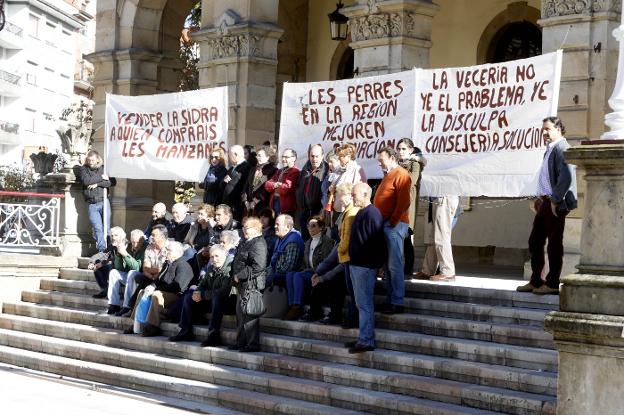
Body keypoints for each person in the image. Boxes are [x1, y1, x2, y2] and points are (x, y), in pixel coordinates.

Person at [517, 116, 577, 295]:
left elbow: (566, 177)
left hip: (555, 203)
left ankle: (551, 283)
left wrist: (554, 201)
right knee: (535, 241)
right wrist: (540, 198)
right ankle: (536, 280)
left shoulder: (562, 148)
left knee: (554, 244)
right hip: (546, 202)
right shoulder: (550, 149)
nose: (544, 132)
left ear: (558, 129)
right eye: (543, 129)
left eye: (548, 129)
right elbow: (547, 176)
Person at [345, 182, 386, 353]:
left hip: (365, 266)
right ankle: (362, 338)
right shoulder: (362, 212)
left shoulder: (372, 213)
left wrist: (379, 265)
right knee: (360, 303)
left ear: (365, 195)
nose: (352, 197)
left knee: (364, 304)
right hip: (356, 264)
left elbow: (378, 241)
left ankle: (366, 340)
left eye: (355, 195)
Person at [372, 146, 411, 315]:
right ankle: (390, 300)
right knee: (388, 267)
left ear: (392, 158)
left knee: (395, 265)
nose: (379, 162)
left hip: (394, 225)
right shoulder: (388, 175)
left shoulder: (401, 174)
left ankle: (397, 301)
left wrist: (392, 221)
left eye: (382, 159)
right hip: (386, 225)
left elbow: (404, 202)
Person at [169, 244, 233, 346]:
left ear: (224, 256)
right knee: (189, 295)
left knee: (217, 298)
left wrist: (202, 295)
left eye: (217, 256)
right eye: (211, 257)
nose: (214, 259)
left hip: (227, 302)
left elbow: (223, 292)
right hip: (210, 298)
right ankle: (185, 330)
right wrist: (198, 293)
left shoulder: (229, 269)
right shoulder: (212, 268)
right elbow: (203, 284)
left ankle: (213, 335)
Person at [126, 241, 193, 337]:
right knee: (142, 291)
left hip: (176, 296)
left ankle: (153, 325)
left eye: (168, 250)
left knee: (156, 294)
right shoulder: (167, 264)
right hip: (164, 291)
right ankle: (136, 324)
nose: (166, 252)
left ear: (177, 252)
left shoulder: (184, 265)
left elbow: (176, 287)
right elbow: (158, 280)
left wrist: (156, 289)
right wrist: (152, 286)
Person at [282, 216, 335, 320]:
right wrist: (302, 270)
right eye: (308, 226)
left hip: (318, 273)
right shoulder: (308, 242)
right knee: (290, 274)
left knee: (298, 275)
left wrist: (305, 271)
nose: (310, 228)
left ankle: (297, 306)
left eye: (314, 226)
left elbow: (325, 263)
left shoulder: (327, 242)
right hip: (308, 272)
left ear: (321, 227)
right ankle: (292, 305)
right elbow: (304, 263)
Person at [230, 217, 268, 352]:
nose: (244, 230)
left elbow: (258, 266)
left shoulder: (258, 244)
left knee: (250, 315)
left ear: (255, 229)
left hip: (251, 285)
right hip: (242, 285)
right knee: (240, 314)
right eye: (243, 228)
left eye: (246, 228)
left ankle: (252, 344)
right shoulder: (247, 242)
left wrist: (239, 276)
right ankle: (241, 342)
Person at [119, 224, 169, 317]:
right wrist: (152, 274)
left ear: (162, 237)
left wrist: (155, 272)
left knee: (142, 284)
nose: (151, 237)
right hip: (150, 277)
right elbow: (145, 268)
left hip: (164, 279)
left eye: (154, 235)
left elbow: (164, 269)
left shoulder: (169, 248)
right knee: (140, 279)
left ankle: (131, 308)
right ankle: (133, 310)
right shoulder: (149, 247)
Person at [397, 138, 427, 275]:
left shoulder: (415, 163)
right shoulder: (398, 164)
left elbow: (411, 180)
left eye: (403, 149)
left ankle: (408, 269)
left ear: (410, 150)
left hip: (408, 205)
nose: (400, 151)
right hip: (396, 204)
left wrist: (397, 172)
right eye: (399, 149)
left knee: (406, 237)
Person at [76, 149, 116, 252]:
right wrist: (102, 178)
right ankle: (102, 250)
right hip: (92, 204)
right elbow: (87, 181)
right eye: (89, 160)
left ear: (97, 159)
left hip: (104, 201)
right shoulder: (83, 169)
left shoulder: (104, 168)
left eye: (93, 160)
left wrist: (98, 184)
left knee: (106, 227)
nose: (91, 163)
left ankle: (109, 249)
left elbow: (112, 182)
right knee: (97, 227)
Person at [416, 195, 460, 282]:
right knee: (434, 237)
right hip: (438, 198)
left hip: (444, 197)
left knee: (441, 236)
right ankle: (428, 270)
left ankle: (448, 272)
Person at [299, 246, 346, 325]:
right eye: (339, 232)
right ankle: (314, 312)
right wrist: (317, 273)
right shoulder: (339, 245)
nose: (339, 233)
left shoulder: (350, 243)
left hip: (348, 276)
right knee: (318, 283)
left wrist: (323, 278)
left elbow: (342, 266)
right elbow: (327, 261)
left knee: (336, 280)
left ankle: (336, 316)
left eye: (341, 232)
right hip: (336, 275)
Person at [334, 183, 360, 328]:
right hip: (347, 256)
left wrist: (339, 251)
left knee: (353, 291)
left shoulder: (351, 213)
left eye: (339, 195)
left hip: (348, 256)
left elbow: (347, 238)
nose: (338, 198)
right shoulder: (348, 211)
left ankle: (353, 319)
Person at [106, 229, 146, 315]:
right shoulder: (129, 247)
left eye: (137, 242)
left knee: (132, 273)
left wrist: (126, 255)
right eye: (133, 242)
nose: (135, 245)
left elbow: (137, 268)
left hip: (140, 277)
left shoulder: (145, 248)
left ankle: (127, 306)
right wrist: (119, 255)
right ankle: (113, 304)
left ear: (142, 241)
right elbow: (119, 268)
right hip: (128, 276)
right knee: (113, 272)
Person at [295, 144, 328, 240]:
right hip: (303, 211)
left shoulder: (326, 171)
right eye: (312, 156)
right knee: (305, 239)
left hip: (317, 213)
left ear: (322, 156)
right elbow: (299, 187)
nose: (314, 159)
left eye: (317, 156)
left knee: (317, 239)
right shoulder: (305, 169)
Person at [266, 214, 304, 286]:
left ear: (287, 227)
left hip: (287, 279)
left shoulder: (293, 241)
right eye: (275, 224)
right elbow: (272, 264)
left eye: (278, 224)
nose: (275, 226)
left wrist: (270, 276)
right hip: (276, 273)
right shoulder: (280, 239)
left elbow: (289, 267)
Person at [89, 226, 126, 299]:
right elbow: (102, 254)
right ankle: (105, 290)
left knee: (107, 266)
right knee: (97, 263)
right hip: (114, 268)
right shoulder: (112, 245)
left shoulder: (126, 245)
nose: (113, 238)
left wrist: (103, 263)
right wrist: (91, 262)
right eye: (112, 235)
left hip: (123, 270)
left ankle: (117, 292)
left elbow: (118, 260)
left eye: (116, 235)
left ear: (121, 236)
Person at [243, 145, 277, 216]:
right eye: (257, 156)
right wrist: (246, 200)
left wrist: (255, 201)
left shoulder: (273, 170)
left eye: (260, 156)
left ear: (268, 157)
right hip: (248, 205)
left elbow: (267, 189)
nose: (257, 158)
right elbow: (246, 186)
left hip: (262, 205)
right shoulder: (253, 169)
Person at [265, 148, 300, 217]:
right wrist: (276, 184)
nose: (283, 159)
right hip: (274, 202)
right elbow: (267, 185)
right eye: (282, 157)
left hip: (285, 206)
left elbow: (286, 189)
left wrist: (274, 186)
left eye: (286, 157)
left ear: (294, 158)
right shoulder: (279, 171)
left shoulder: (295, 171)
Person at [221, 145, 251, 221]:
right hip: (227, 205)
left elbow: (245, 186)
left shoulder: (246, 167)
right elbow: (221, 185)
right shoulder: (232, 168)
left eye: (229, 155)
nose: (228, 157)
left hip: (236, 206)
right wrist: (224, 181)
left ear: (236, 154)